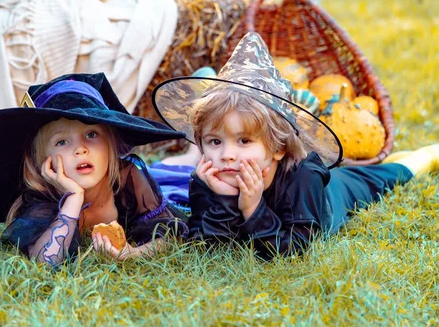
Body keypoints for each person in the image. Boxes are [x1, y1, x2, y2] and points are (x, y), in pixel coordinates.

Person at [151, 32, 439, 260]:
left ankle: (425, 156)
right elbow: (209, 247)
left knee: (387, 177)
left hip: (338, 192)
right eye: (214, 141)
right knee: (379, 171)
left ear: (277, 148)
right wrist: (223, 200)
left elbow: (296, 249)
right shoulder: (208, 176)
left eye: (244, 140)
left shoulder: (304, 177)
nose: (226, 155)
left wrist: (253, 210)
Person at [0, 73, 187, 266]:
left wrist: (132, 254)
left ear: (110, 145)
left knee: (179, 177)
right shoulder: (43, 198)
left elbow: (171, 233)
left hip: (156, 182)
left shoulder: (129, 176)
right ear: (43, 159)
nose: (80, 149)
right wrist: (73, 200)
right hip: (60, 197)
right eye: (62, 142)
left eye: (91, 135)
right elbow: (46, 261)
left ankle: (191, 152)